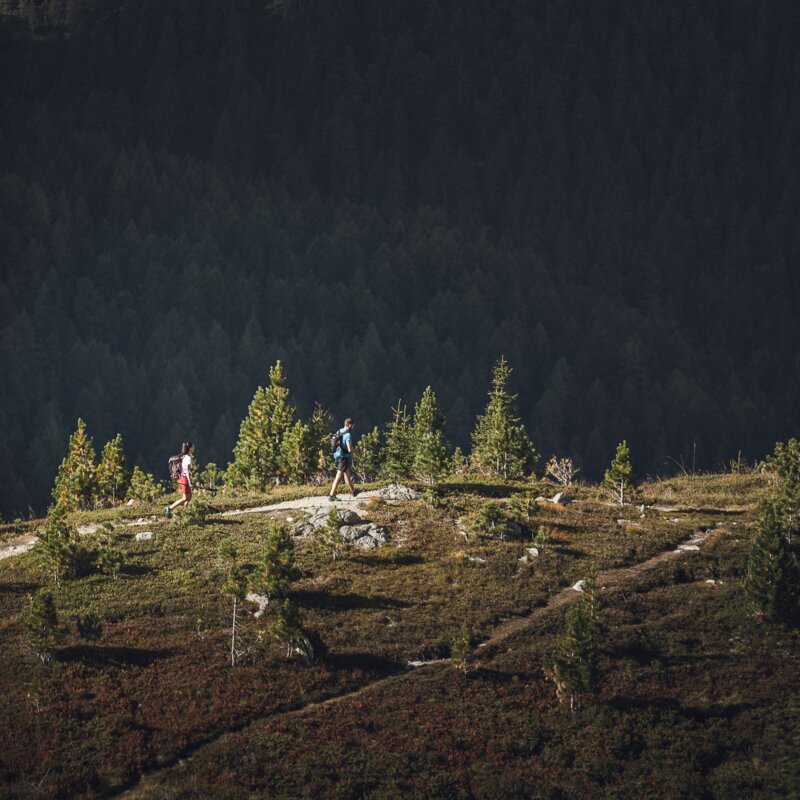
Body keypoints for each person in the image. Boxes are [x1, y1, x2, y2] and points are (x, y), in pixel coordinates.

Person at [329, 419, 359, 501]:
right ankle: (331, 495)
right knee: (338, 477)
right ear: (349, 425)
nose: (353, 427)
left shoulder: (339, 431)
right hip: (344, 458)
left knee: (347, 476)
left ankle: (354, 491)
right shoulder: (348, 435)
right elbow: (349, 449)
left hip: (339, 456)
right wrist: (358, 451)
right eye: (353, 426)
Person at [166, 442, 194, 517]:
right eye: (193, 447)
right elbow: (187, 470)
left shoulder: (183, 457)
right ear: (190, 449)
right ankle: (170, 508)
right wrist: (189, 482)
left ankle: (186, 512)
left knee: (189, 497)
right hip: (184, 479)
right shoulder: (188, 458)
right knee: (185, 498)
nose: (194, 448)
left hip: (181, 478)